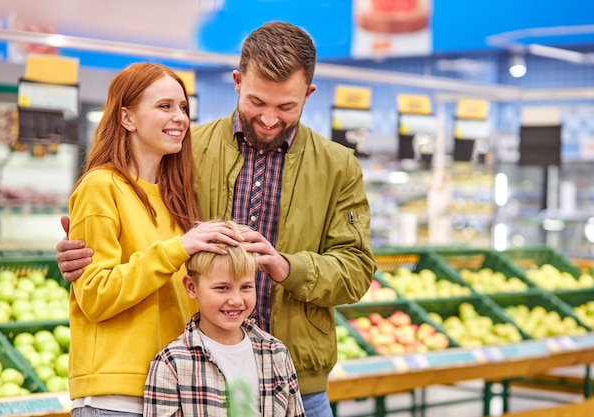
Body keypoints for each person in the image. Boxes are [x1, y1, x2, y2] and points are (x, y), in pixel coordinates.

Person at [56, 21, 377, 417]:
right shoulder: (186, 151)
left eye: (286, 107)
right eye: (258, 102)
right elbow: (135, 237)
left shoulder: (338, 166)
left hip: (292, 376)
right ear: (238, 81)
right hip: (195, 377)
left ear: (309, 94)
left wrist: (286, 266)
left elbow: (358, 269)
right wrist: (80, 254)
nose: (270, 119)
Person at [66, 62, 241, 417]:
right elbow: (96, 295)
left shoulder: (176, 199)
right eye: (164, 106)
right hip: (116, 398)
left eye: (183, 108)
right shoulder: (101, 187)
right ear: (127, 117)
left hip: (173, 391)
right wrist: (181, 248)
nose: (179, 117)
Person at [144, 220, 305, 417]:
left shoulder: (276, 353)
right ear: (191, 287)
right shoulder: (171, 362)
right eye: (222, 288)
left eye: (246, 287)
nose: (236, 300)